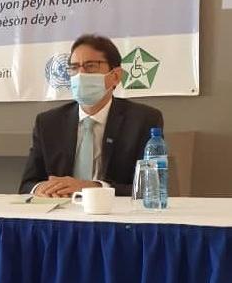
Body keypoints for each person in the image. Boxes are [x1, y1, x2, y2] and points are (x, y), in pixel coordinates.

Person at [19, 34, 163, 197]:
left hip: (114, 210)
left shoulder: (143, 120)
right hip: (60, 208)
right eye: (74, 67)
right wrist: (41, 189)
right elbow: (27, 185)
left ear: (115, 76)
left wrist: (93, 188)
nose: (80, 74)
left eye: (90, 66)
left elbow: (151, 188)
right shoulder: (48, 123)